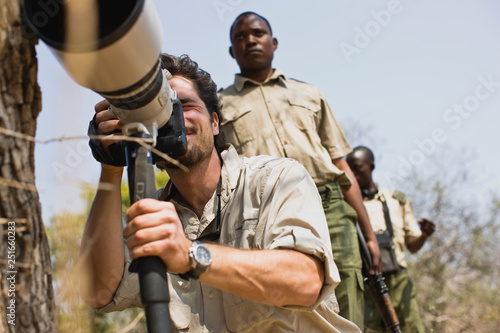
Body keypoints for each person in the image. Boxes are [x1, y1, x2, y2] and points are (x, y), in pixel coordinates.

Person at [79, 53, 361, 332]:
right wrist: (112, 166)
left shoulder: (276, 178)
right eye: (161, 111)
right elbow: (98, 292)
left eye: (184, 105)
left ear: (215, 122)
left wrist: (191, 255)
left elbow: (306, 280)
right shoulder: (154, 217)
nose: (173, 116)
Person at [217, 11, 381, 329]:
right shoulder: (219, 107)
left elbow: (339, 164)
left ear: (274, 42)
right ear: (231, 51)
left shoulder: (309, 94)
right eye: (240, 36)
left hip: (330, 204)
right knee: (289, 301)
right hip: (267, 211)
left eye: (258, 33)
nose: (249, 40)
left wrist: (370, 235)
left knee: (347, 285)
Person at [346, 146, 436, 333]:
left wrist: (424, 235)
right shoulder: (345, 205)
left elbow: (413, 245)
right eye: (349, 168)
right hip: (366, 282)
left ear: (371, 166)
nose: (352, 174)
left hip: (397, 280)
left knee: (411, 328)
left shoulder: (396, 199)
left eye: (357, 168)